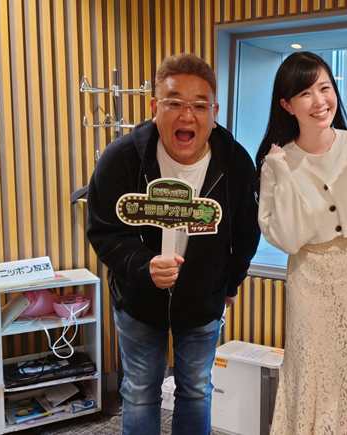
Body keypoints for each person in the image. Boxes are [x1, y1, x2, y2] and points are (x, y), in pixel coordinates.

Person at [87, 53, 260, 435]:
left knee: (196, 391)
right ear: (155, 107)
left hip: (202, 302)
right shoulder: (121, 159)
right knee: (139, 393)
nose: (187, 115)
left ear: (214, 112)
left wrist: (230, 285)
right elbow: (103, 231)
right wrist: (141, 265)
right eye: (174, 103)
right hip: (137, 301)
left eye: (199, 105)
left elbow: (247, 232)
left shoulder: (236, 164)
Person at [256, 52, 347, 435]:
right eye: (305, 93)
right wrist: (282, 174)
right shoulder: (277, 161)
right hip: (310, 277)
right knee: (312, 370)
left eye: (325, 88)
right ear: (287, 105)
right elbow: (288, 238)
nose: (320, 101)